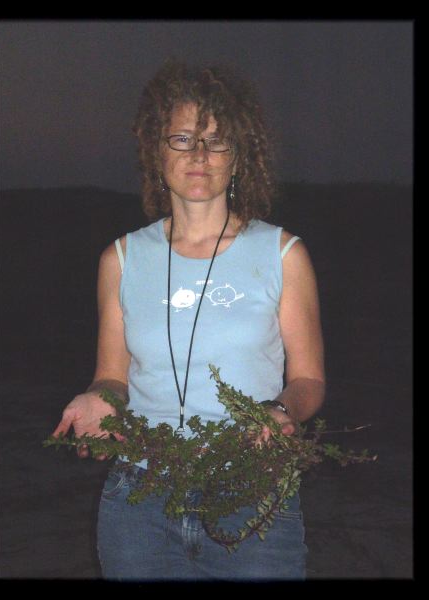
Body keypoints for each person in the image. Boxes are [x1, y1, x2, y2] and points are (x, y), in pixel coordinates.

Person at [52, 59, 325, 581]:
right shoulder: (122, 259)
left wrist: (282, 409)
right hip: (140, 501)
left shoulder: (283, 253)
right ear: (158, 152)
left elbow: (308, 379)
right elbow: (113, 376)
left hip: (252, 493)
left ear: (238, 157)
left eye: (216, 141)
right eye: (182, 139)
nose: (199, 155)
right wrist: (98, 398)